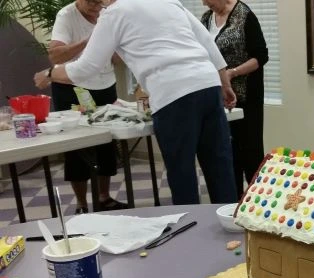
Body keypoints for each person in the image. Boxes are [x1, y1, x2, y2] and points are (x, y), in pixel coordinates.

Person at [35, 0, 239, 205]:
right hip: (207, 84)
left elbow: (86, 68)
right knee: (220, 165)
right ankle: (232, 228)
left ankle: (192, 229)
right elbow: (206, 40)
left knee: (182, 171)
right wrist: (224, 81)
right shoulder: (166, 1)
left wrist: (50, 73)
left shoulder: (114, 14)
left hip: (172, 93)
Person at [49, 0, 127, 214]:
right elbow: (55, 55)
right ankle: (82, 203)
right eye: (92, 2)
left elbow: (116, 59)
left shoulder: (108, 13)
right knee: (78, 146)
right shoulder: (67, 16)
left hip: (105, 85)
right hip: (73, 87)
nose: (97, 6)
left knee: (107, 143)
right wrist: (89, 42)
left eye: (101, 2)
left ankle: (104, 197)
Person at [200, 0, 269, 198]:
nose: (204, 3)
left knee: (249, 151)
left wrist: (232, 73)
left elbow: (261, 56)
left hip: (246, 97)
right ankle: (232, 201)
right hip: (219, 97)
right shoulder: (206, 19)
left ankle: (257, 201)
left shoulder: (244, 15)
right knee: (227, 153)